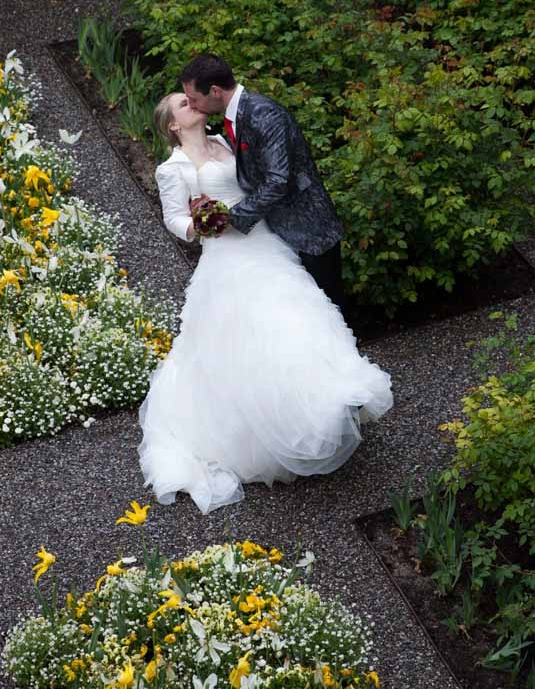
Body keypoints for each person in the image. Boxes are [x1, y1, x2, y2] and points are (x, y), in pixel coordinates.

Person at [138, 92, 393, 514]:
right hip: (227, 257)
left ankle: (324, 400)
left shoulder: (226, 140)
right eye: (183, 104)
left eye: (191, 99)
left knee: (299, 315)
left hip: (265, 243)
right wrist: (201, 224)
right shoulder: (174, 167)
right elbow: (172, 218)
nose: (193, 104)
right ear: (172, 125)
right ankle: (263, 431)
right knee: (253, 336)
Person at [179, 54, 347, 310]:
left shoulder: (263, 114)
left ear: (214, 91)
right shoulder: (238, 115)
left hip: (309, 230)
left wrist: (228, 216)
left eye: (194, 99)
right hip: (280, 231)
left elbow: (277, 181)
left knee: (327, 313)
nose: (192, 105)